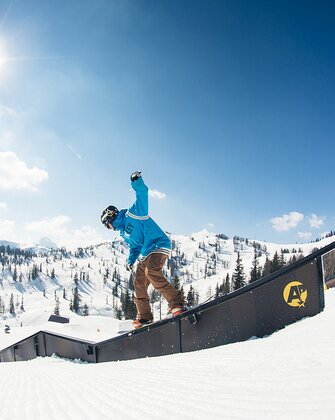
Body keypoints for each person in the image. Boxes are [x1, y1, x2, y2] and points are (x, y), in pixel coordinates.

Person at [101, 171, 185, 329]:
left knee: (151, 272)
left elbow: (142, 194)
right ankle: (144, 317)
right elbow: (135, 246)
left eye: (107, 224)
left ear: (110, 217)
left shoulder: (134, 213)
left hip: (158, 245)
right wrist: (131, 260)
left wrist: (136, 181)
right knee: (139, 282)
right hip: (146, 252)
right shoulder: (123, 232)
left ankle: (177, 303)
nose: (108, 228)